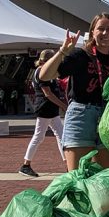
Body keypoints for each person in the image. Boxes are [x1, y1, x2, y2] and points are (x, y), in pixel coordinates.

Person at [39, 13, 109, 171]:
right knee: (78, 178)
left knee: (106, 179)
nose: (105, 33)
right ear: (92, 33)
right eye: (101, 29)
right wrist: (63, 51)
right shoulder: (80, 55)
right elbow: (45, 75)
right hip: (81, 116)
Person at [19, 49, 67, 177]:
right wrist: (63, 105)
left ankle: (68, 164)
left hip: (50, 109)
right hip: (45, 107)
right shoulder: (41, 72)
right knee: (39, 136)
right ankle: (26, 165)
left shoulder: (47, 72)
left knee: (61, 135)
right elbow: (48, 93)